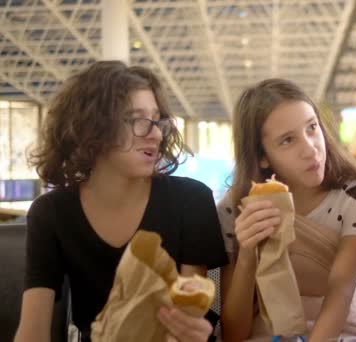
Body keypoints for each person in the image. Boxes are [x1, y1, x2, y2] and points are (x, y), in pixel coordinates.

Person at [14, 61, 228, 342]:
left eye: (157, 120)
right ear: (93, 127)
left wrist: (205, 326)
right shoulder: (52, 213)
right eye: (139, 120)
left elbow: (204, 304)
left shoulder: (190, 200)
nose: (156, 133)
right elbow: (33, 330)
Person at [216, 78, 356, 342]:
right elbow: (234, 334)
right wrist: (246, 254)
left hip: (346, 335)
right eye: (288, 140)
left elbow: (342, 289)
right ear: (262, 157)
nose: (310, 148)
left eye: (312, 128)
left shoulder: (354, 196)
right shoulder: (235, 208)